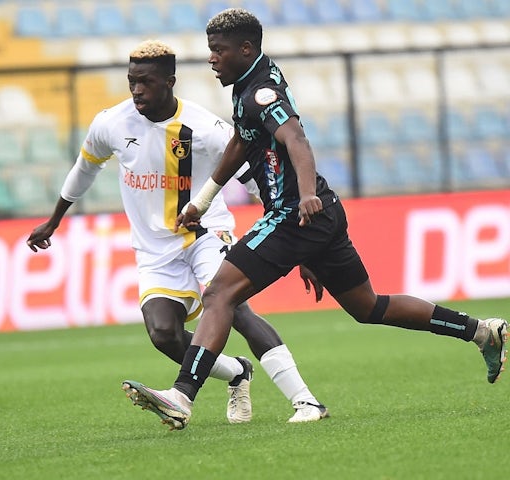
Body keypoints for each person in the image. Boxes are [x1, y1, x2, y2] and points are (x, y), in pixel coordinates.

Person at [121, 8, 508, 431]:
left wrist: (305, 197)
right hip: (318, 219)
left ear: (245, 49)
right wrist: (204, 199)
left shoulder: (259, 93)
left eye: (218, 51)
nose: (211, 58)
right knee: (368, 306)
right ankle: (481, 331)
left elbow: (296, 139)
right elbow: (240, 141)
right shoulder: (249, 80)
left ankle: (181, 396)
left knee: (219, 295)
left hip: (295, 214)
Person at [27, 40, 329, 424]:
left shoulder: (207, 129)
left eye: (146, 82)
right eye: (131, 81)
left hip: (206, 234)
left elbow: (261, 186)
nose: (136, 90)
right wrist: (54, 220)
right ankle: (237, 371)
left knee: (234, 307)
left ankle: (305, 400)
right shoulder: (111, 123)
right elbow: (85, 168)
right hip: (155, 249)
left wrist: (301, 249)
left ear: (170, 81)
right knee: (163, 334)